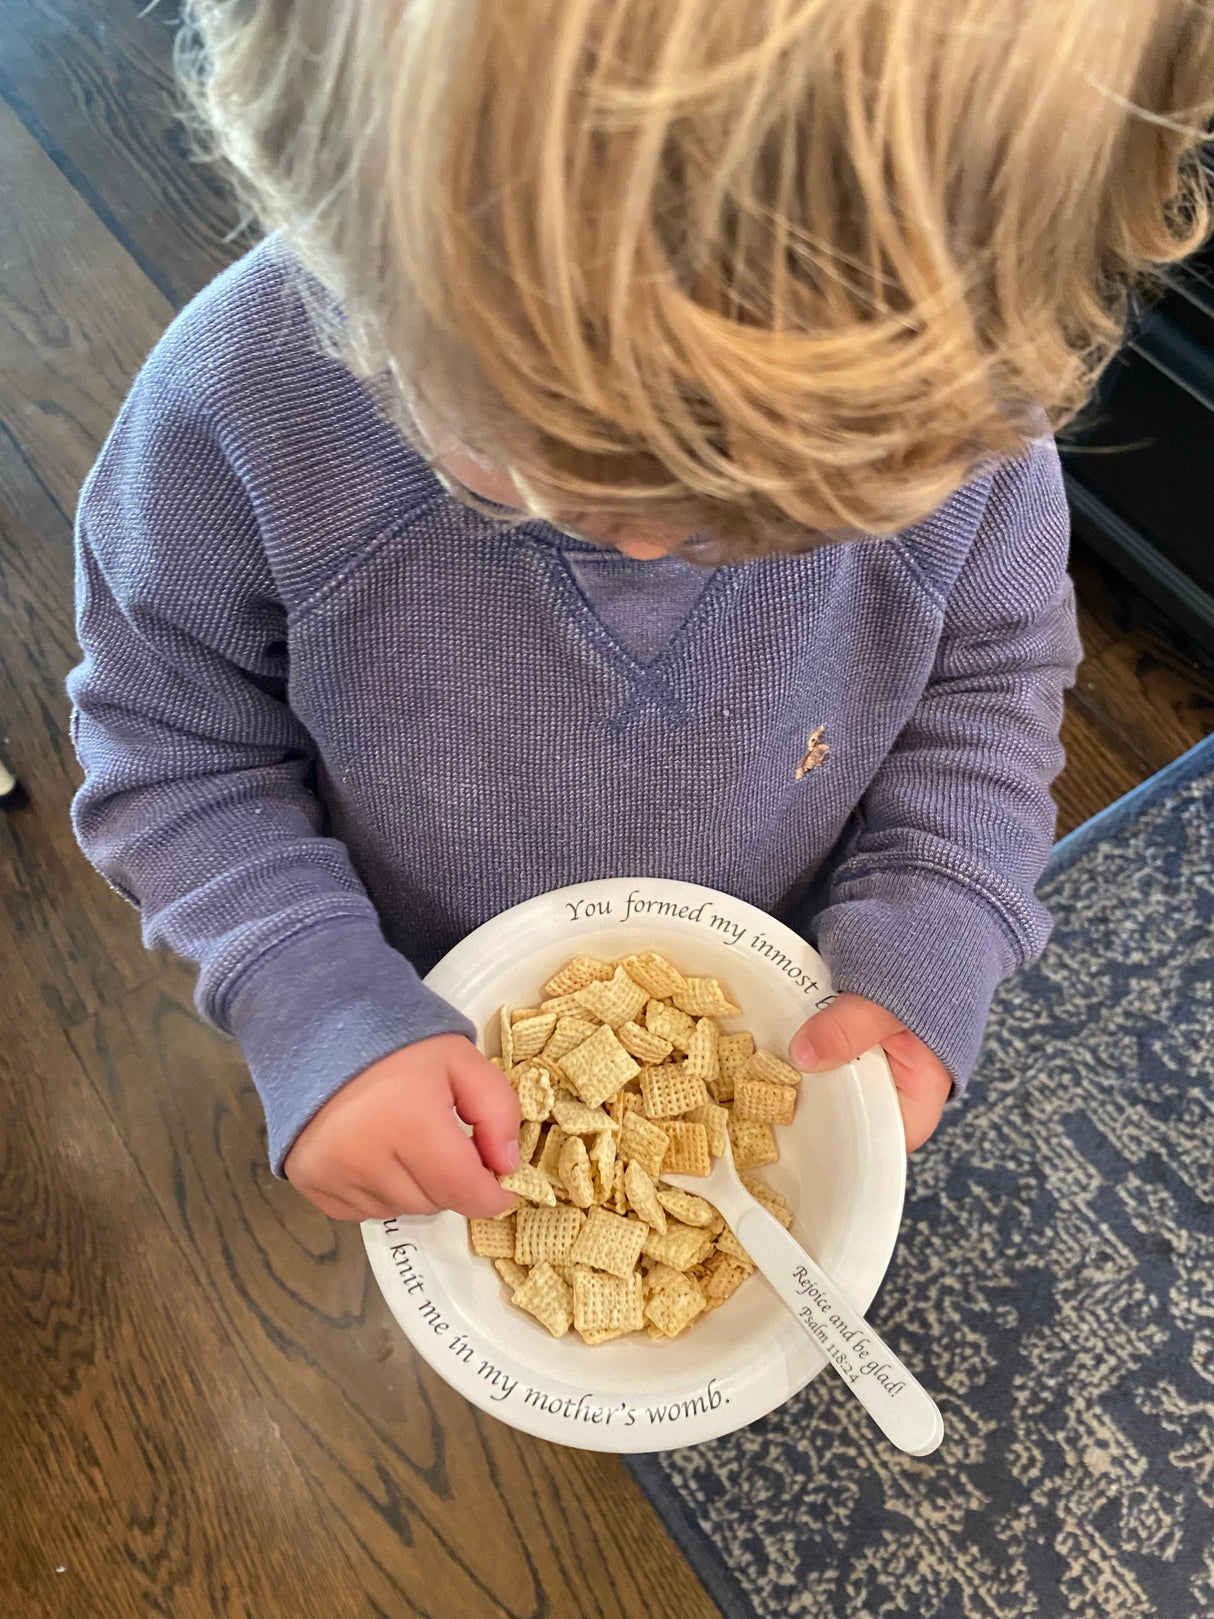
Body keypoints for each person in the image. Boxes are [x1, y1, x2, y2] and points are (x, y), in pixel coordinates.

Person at [68, 0, 1214, 1224]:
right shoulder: (234, 418)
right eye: (554, 463)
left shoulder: (967, 420)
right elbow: (172, 750)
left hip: (778, 951)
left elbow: (992, 676)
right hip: (417, 984)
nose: (651, 541)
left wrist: (932, 913)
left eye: (781, 504)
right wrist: (317, 997)